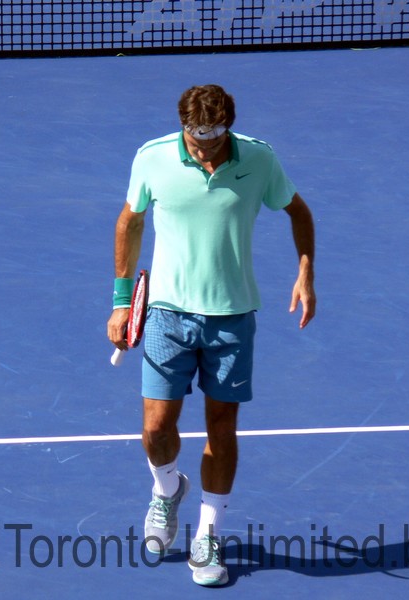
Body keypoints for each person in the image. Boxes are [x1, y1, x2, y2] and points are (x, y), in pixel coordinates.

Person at [107, 84, 316, 586]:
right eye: (195, 134)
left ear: (228, 124)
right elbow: (129, 224)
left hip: (232, 318)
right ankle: (166, 489)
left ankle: (208, 534)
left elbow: (299, 212)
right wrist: (119, 303)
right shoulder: (153, 157)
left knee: (221, 428)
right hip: (166, 316)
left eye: (214, 133)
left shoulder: (259, 160)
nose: (203, 144)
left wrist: (305, 271)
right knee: (157, 429)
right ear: (183, 124)